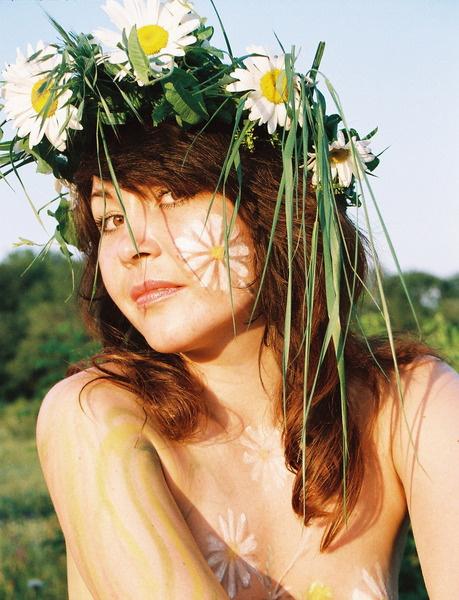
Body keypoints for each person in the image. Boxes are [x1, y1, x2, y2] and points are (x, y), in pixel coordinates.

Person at [1, 1, 458, 598]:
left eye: (173, 196)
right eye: (111, 218)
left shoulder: (408, 405)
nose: (133, 245)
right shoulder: (96, 417)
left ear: (274, 211)